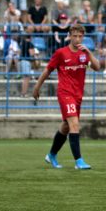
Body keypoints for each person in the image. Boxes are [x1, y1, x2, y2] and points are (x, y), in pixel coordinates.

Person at [33, 24, 101, 170]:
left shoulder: (84, 54)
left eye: (80, 36)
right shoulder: (61, 53)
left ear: (83, 36)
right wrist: (37, 86)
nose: (77, 39)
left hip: (78, 95)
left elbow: (97, 67)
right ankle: (79, 161)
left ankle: (51, 155)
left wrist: (89, 52)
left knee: (66, 126)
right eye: (74, 36)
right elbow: (47, 70)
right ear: (70, 36)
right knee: (74, 124)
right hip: (65, 93)